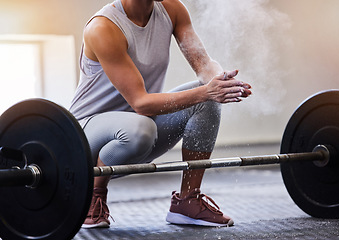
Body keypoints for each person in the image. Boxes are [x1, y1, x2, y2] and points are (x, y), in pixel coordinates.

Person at [69, 0, 252, 229]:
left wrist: (221, 81)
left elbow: (204, 66)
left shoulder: (172, 9)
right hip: (83, 140)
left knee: (207, 103)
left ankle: (187, 201)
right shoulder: (103, 28)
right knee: (143, 127)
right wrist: (206, 91)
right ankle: (93, 198)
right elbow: (141, 103)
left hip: (140, 131)